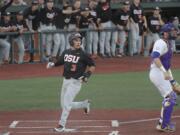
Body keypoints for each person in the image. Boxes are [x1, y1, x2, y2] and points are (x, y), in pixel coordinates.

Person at [46, 32, 95, 132]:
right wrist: (52, 64)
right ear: (71, 41)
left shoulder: (83, 54)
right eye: (76, 40)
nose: (78, 42)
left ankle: (61, 125)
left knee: (67, 104)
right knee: (63, 105)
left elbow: (92, 65)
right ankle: (84, 104)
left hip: (75, 83)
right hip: (65, 81)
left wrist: (87, 75)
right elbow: (60, 62)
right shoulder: (66, 52)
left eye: (79, 40)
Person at [149, 23, 178, 132]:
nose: (175, 32)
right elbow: (155, 57)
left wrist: (173, 81)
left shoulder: (168, 43)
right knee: (170, 97)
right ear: (165, 33)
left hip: (162, 73)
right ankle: (163, 125)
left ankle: (162, 122)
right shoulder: (160, 42)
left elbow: (167, 64)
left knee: (171, 97)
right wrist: (163, 72)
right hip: (157, 73)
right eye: (172, 31)